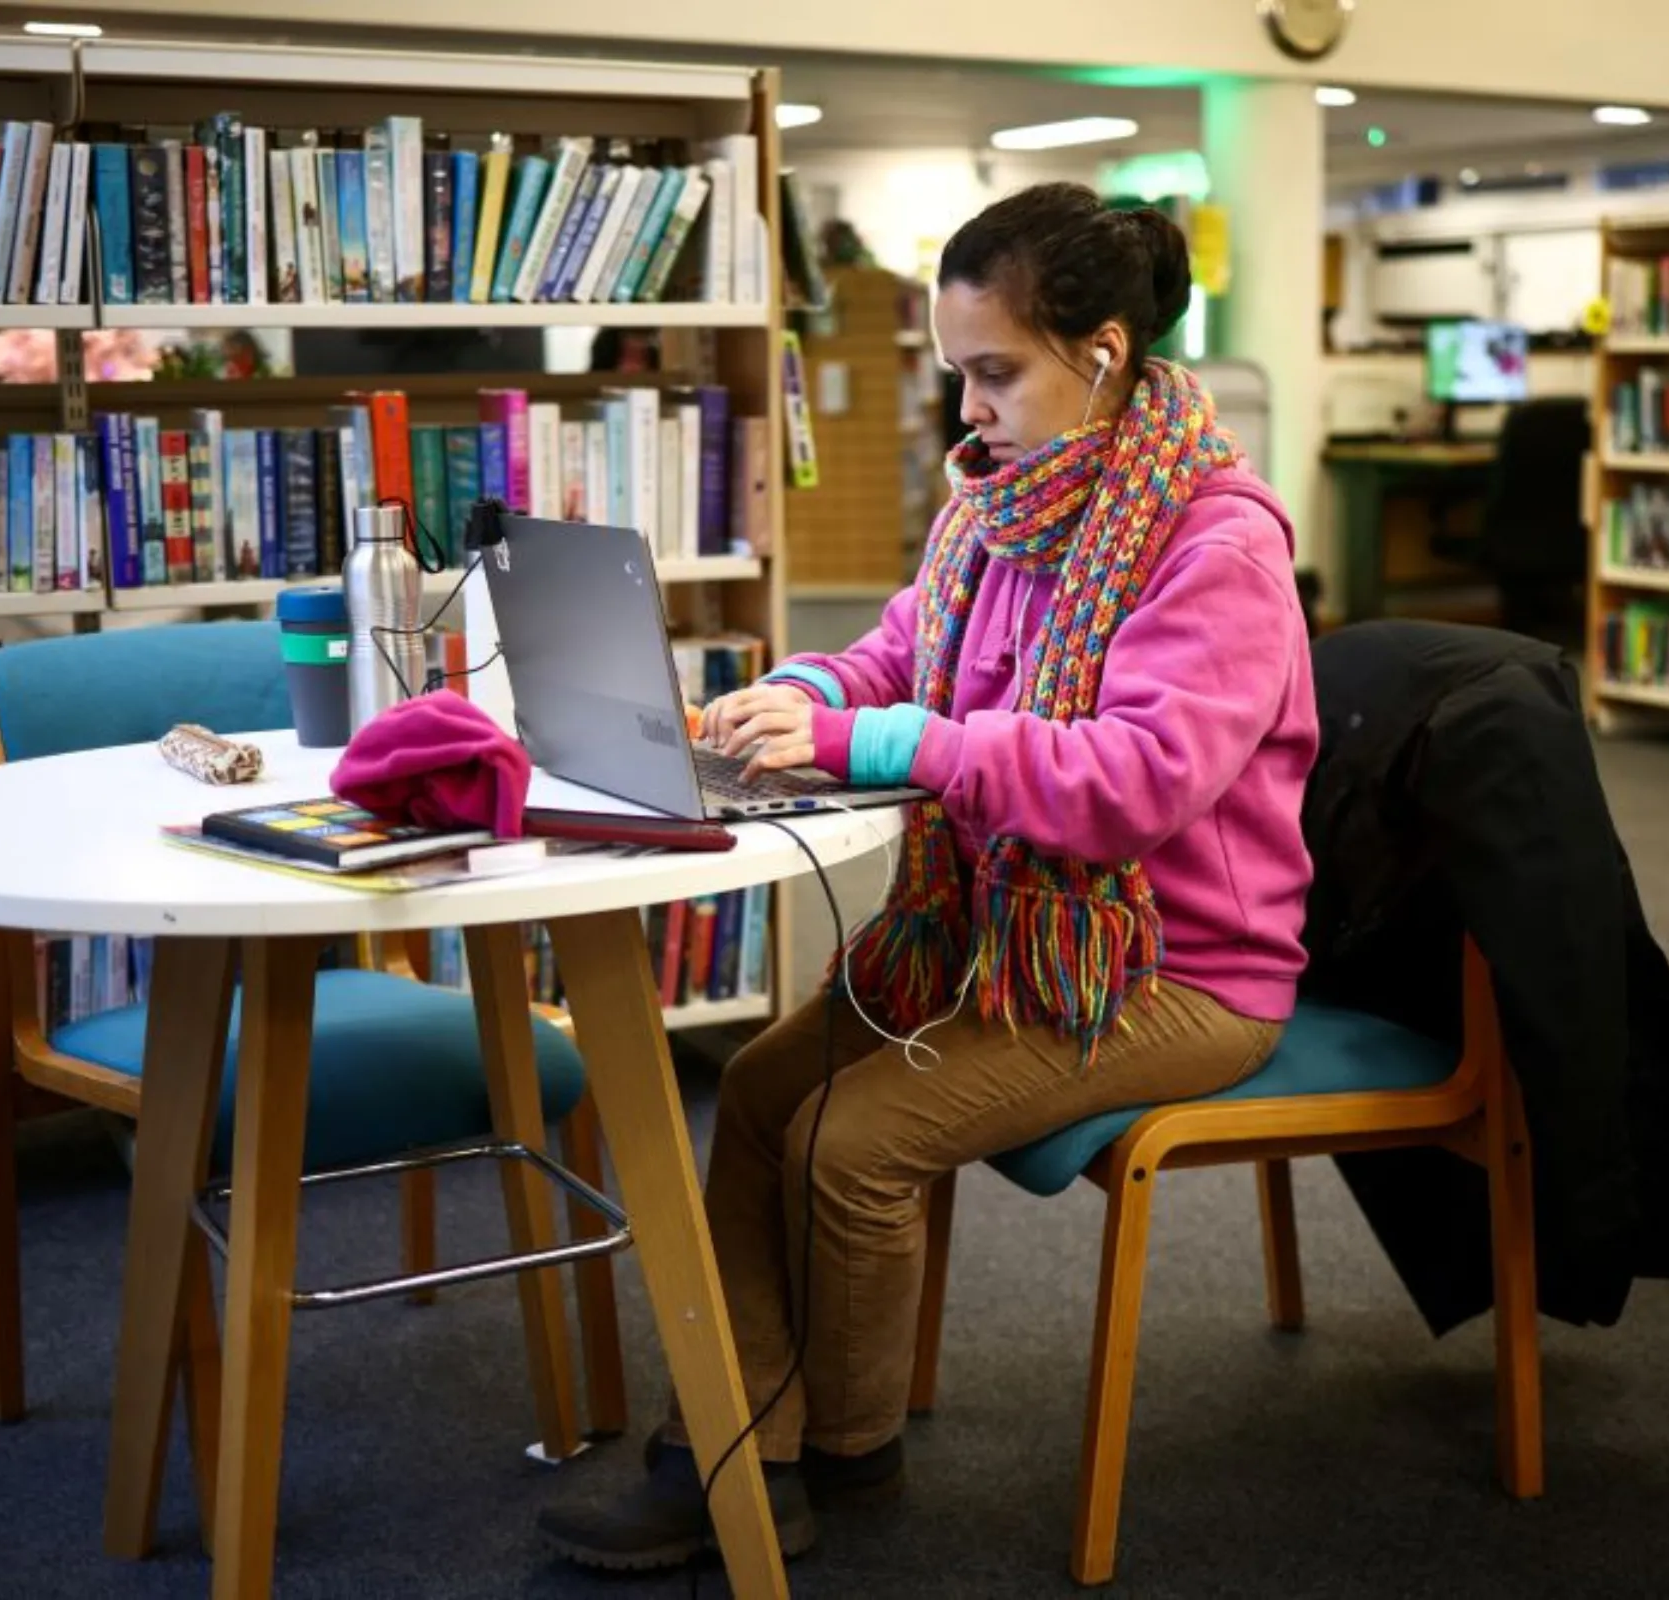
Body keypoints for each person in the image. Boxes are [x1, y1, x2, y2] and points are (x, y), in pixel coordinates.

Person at [536, 182, 1319, 1574]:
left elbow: (1132, 783)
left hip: (1182, 970)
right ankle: (736, 1448)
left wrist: (881, 738)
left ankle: (843, 1454)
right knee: (765, 1097)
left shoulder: (1220, 542)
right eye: (957, 372)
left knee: (854, 1140)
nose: (968, 409)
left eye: (993, 371)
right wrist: (789, 693)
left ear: (1103, 354)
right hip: (1012, 943)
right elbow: (893, 656)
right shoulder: (1000, 514)